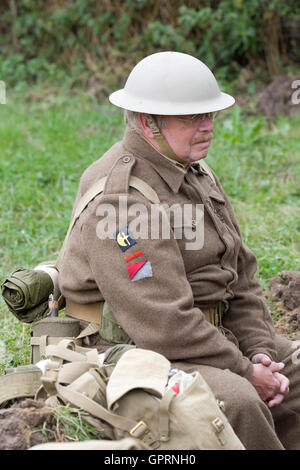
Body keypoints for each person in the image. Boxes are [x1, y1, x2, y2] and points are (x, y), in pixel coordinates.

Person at [58, 51, 300, 450]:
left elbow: (240, 276)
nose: (208, 127)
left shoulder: (195, 174)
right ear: (147, 121)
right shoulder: (122, 203)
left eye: (210, 115)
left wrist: (258, 351)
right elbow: (162, 323)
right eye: (191, 118)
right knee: (237, 403)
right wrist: (243, 370)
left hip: (204, 338)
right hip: (138, 348)